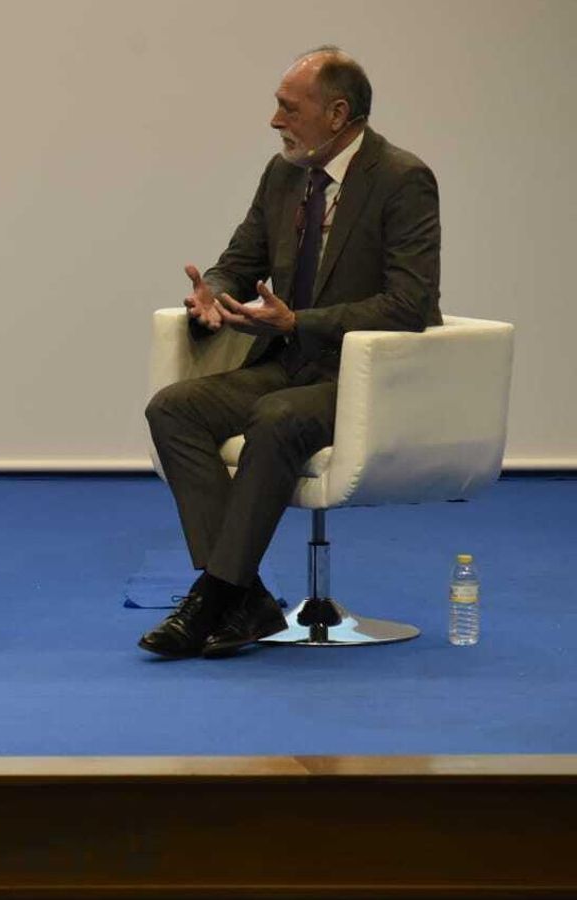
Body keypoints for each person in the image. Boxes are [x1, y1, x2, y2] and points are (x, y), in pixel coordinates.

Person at [141, 46, 441, 659]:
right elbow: (237, 262)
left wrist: (302, 320)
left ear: (336, 114)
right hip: (286, 364)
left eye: (287, 107)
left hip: (360, 376)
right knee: (173, 408)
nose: (275, 120)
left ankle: (216, 594)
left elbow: (409, 304)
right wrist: (212, 299)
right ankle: (245, 596)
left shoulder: (402, 180)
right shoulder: (284, 176)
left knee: (275, 419)